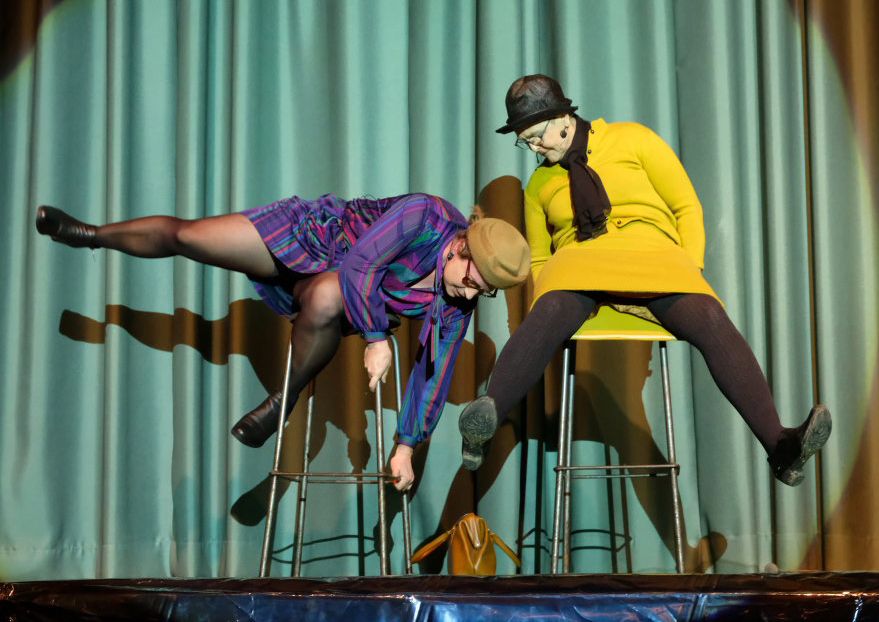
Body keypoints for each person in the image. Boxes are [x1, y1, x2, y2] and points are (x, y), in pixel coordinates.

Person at [458, 74, 831, 487]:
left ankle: (781, 447)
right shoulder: (539, 184)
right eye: (525, 142)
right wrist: (546, 291)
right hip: (580, 264)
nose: (535, 148)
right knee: (550, 308)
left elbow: (686, 206)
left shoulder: (632, 139)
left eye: (537, 136)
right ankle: (484, 422)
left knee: (708, 315)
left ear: (564, 117)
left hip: (655, 259)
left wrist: (690, 269)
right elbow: (542, 257)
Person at [36, 192, 530, 492]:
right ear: (462, 247)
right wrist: (378, 338)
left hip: (335, 295)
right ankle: (89, 234)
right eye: (473, 281)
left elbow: (433, 375)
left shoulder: (456, 301)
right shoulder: (425, 216)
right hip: (316, 239)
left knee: (326, 295)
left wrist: (406, 446)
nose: (471, 294)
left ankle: (283, 399)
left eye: (484, 292)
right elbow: (362, 264)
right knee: (190, 237)